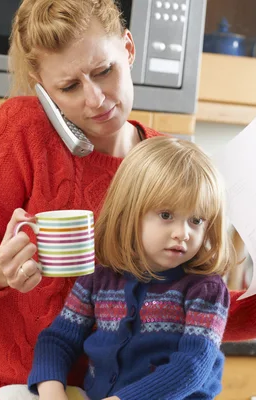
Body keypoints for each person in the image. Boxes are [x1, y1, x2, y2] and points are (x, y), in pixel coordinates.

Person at [0, 0, 256, 398]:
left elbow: (184, 315)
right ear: (40, 85)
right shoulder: (18, 130)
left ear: (129, 49)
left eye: (104, 72)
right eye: (68, 87)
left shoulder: (165, 164)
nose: (96, 99)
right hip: (13, 385)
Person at [29, 136, 235, 400]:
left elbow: (191, 367)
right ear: (129, 212)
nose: (182, 233)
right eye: (166, 215)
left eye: (196, 220)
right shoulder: (98, 278)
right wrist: (52, 392)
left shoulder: (206, 290)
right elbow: (58, 339)